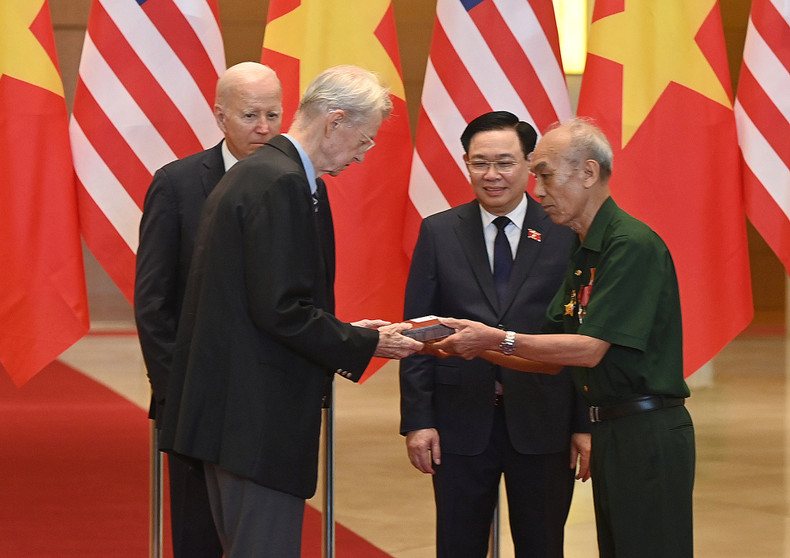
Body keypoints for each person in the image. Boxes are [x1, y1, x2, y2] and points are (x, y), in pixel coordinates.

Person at [158, 65, 424, 558]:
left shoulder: (259, 173)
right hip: (255, 424)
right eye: (364, 140)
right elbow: (281, 310)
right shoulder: (280, 183)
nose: (363, 155)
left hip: (231, 419)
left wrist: (343, 330)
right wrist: (367, 342)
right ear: (335, 121)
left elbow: (262, 298)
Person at [434, 117, 695, 558]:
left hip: (645, 432)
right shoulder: (584, 248)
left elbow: (589, 349)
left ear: (588, 173)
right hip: (612, 430)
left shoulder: (629, 244)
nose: (537, 190)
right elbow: (552, 356)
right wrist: (474, 344)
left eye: (546, 175)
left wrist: (495, 337)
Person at [399, 111, 591, 558]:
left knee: (542, 545)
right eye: (479, 163)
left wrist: (584, 425)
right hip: (459, 422)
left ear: (529, 164)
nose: (492, 175)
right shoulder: (439, 232)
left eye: (504, 163)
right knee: (458, 545)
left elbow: (582, 334)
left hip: (545, 421)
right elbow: (418, 332)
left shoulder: (564, 232)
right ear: (466, 164)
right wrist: (419, 420)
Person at [134, 61, 283, 558]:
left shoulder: (298, 185)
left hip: (269, 400)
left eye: (273, 115)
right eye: (250, 115)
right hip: (193, 402)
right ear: (220, 117)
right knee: (199, 536)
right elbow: (154, 302)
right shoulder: (177, 184)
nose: (264, 128)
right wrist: (176, 392)